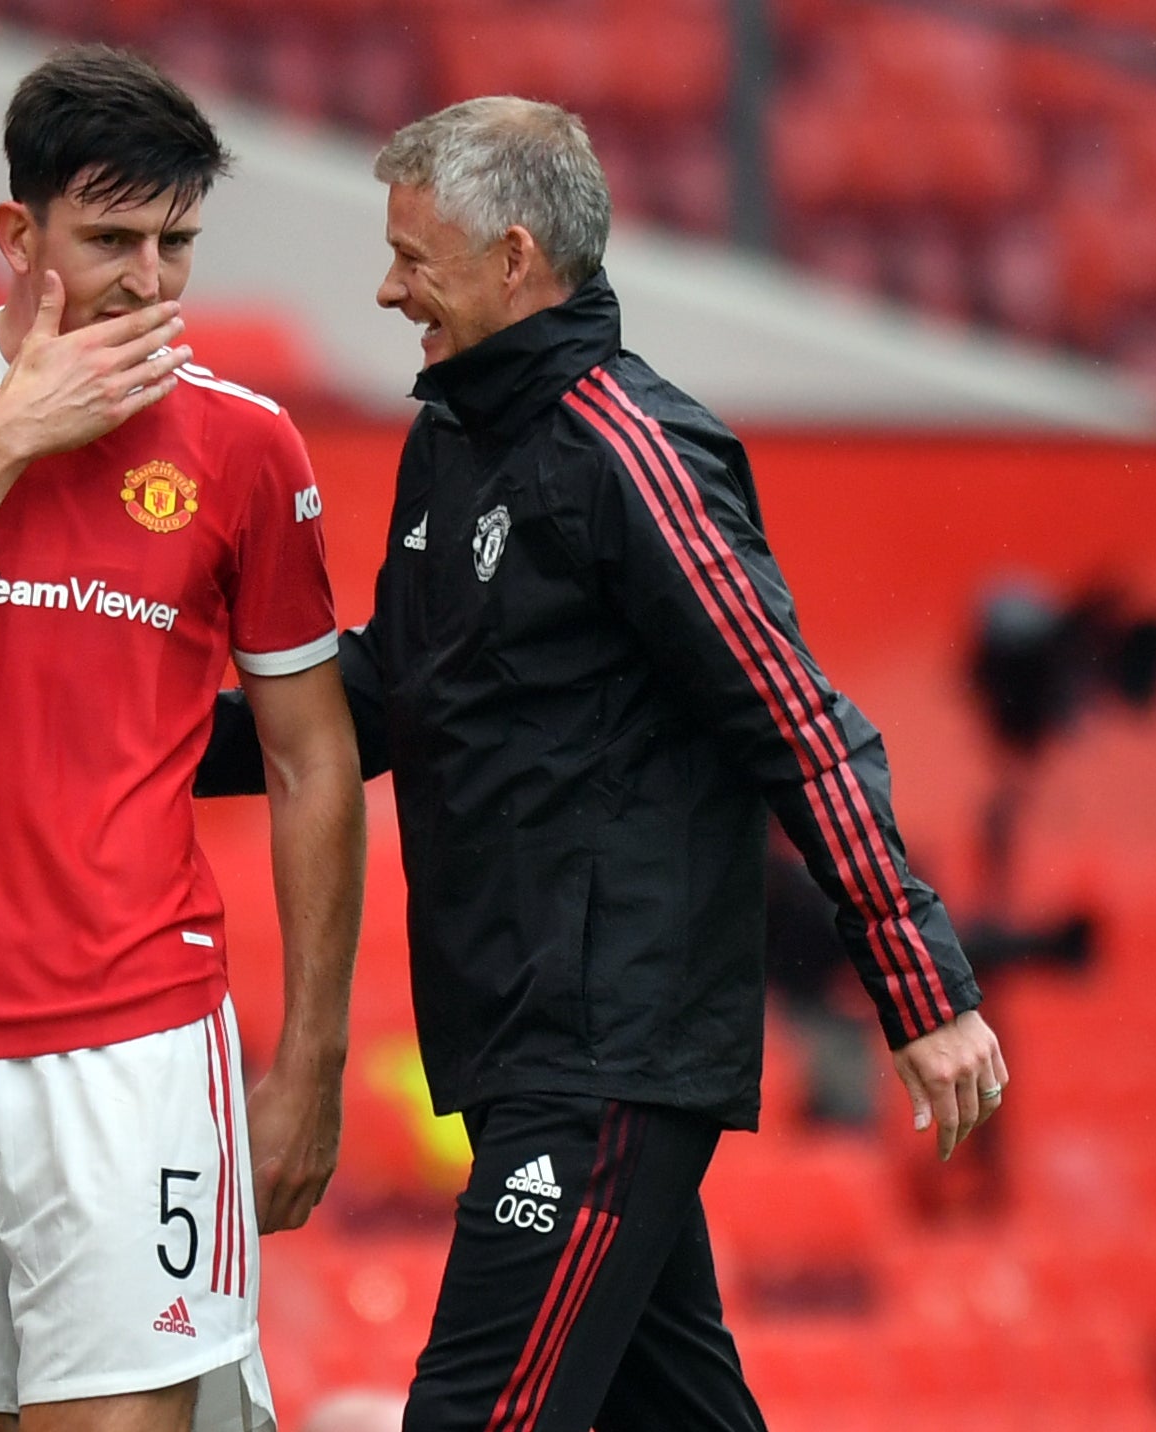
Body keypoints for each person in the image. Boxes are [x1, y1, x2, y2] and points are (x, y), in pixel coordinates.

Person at [197, 97, 1006, 1432]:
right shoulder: (451, 441)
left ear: (516, 258)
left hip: (605, 1051)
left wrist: (922, 989)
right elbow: (387, 696)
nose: (387, 289)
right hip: (529, 1038)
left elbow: (797, 721)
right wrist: (149, 736)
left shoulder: (636, 452)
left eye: (415, 257)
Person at [0, 45, 366, 1432]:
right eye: (108, 242)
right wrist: (10, 433)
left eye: (176, 244)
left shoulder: (247, 445)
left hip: (130, 1048)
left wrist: (312, 1064)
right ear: (16, 236)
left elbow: (311, 759)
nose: (148, 283)